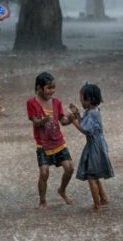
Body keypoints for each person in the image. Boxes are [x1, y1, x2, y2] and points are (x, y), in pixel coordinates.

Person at [26, 72, 75, 209]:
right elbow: (35, 122)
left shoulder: (56, 102)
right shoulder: (32, 103)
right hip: (43, 144)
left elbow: (63, 121)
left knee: (70, 168)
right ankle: (42, 200)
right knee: (44, 172)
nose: (51, 91)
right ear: (39, 88)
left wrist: (72, 118)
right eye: (48, 88)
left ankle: (62, 190)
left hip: (58, 142)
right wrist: (43, 121)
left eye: (53, 87)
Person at [69, 83, 114, 213]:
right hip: (95, 145)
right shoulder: (92, 111)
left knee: (91, 177)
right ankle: (103, 199)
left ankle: (97, 205)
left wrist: (73, 121)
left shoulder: (93, 113)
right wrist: (77, 114)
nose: (80, 101)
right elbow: (85, 123)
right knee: (95, 174)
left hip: (95, 146)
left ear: (88, 100)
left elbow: (85, 129)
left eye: (82, 99)